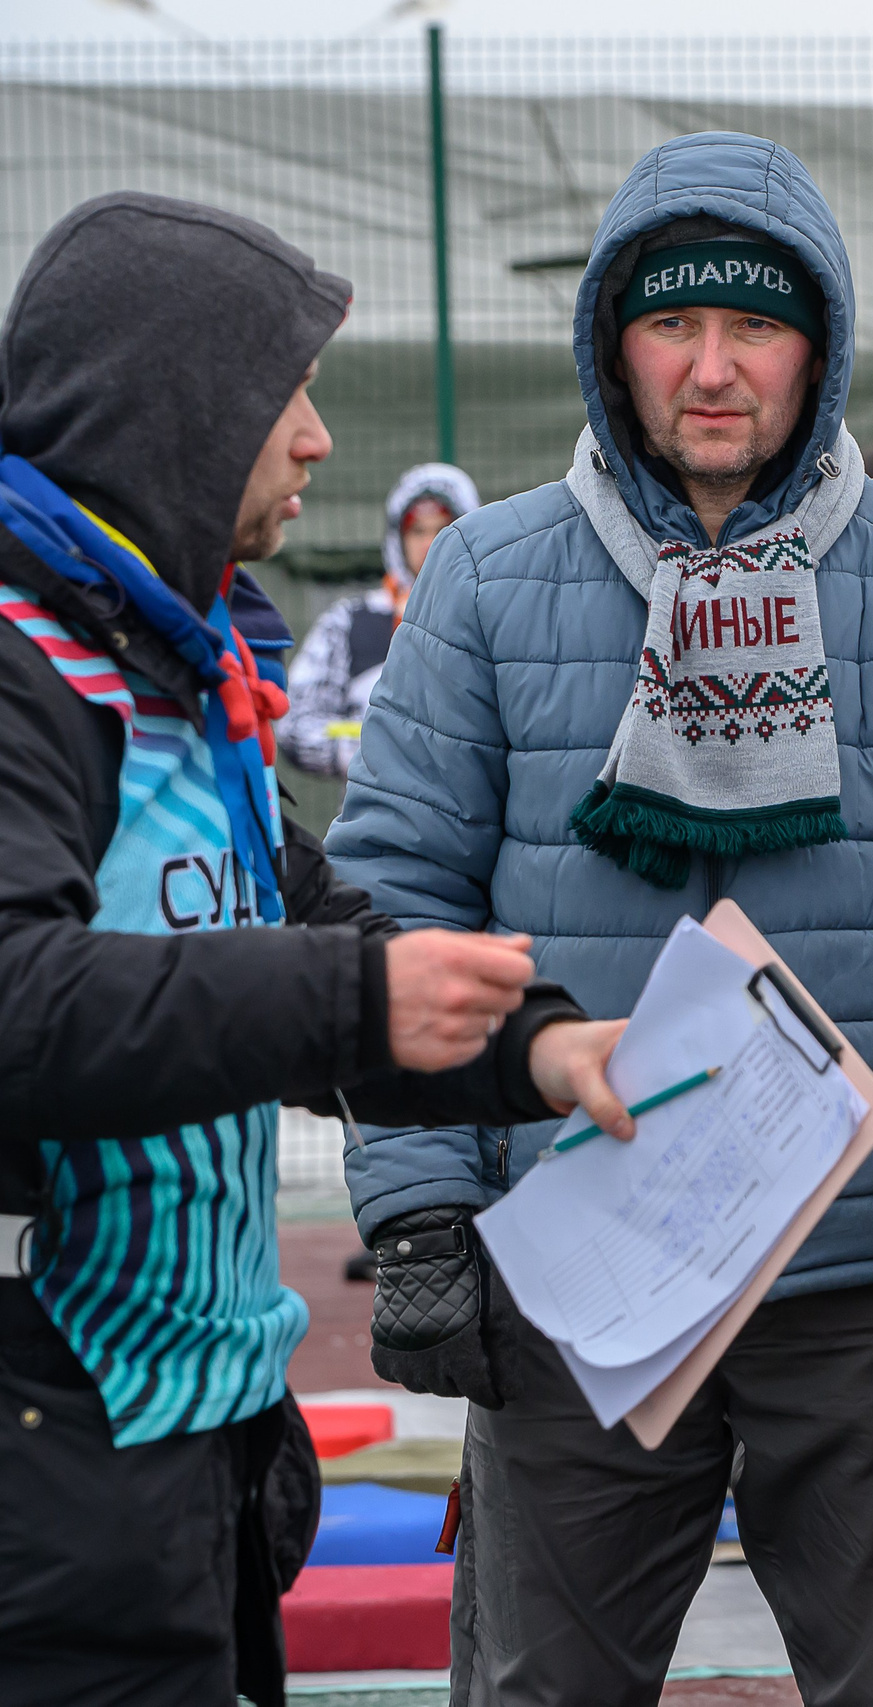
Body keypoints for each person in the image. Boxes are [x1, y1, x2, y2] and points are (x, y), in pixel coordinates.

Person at [324, 132, 873, 1706]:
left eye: (758, 326)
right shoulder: (486, 578)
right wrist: (412, 1210)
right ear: (617, 343)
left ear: (822, 343)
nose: (717, 370)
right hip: (578, 1269)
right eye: (676, 325)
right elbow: (399, 899)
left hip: (866, 1278)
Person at [0, 192, 628, 1707]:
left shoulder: (176, 661)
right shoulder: (24, 668)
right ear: (176, 410)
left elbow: (310, 908)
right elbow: (18, 999)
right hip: (48, 1434)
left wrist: (535, 1040)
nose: (317, 437)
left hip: (179, 1436)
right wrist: (352, 997)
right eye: (289, 391)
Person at [277, 461, 479, 778]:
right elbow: (294, 723)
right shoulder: (351, 621)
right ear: (396, 538)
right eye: (417, 531)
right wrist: (379, 754)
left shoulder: (491, 616)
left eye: (443, 529)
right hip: (374, 819)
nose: (429, 544)